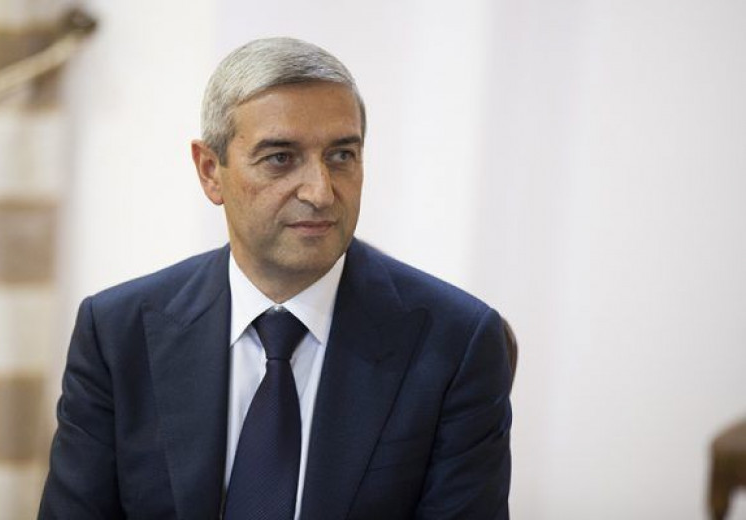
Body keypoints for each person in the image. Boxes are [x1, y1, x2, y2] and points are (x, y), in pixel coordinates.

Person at [39, 37, 512, 519]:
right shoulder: (118, 334)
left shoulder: (455, 343)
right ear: (210, 171)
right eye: (281, 158)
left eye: (341, 156)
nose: (320, 192)